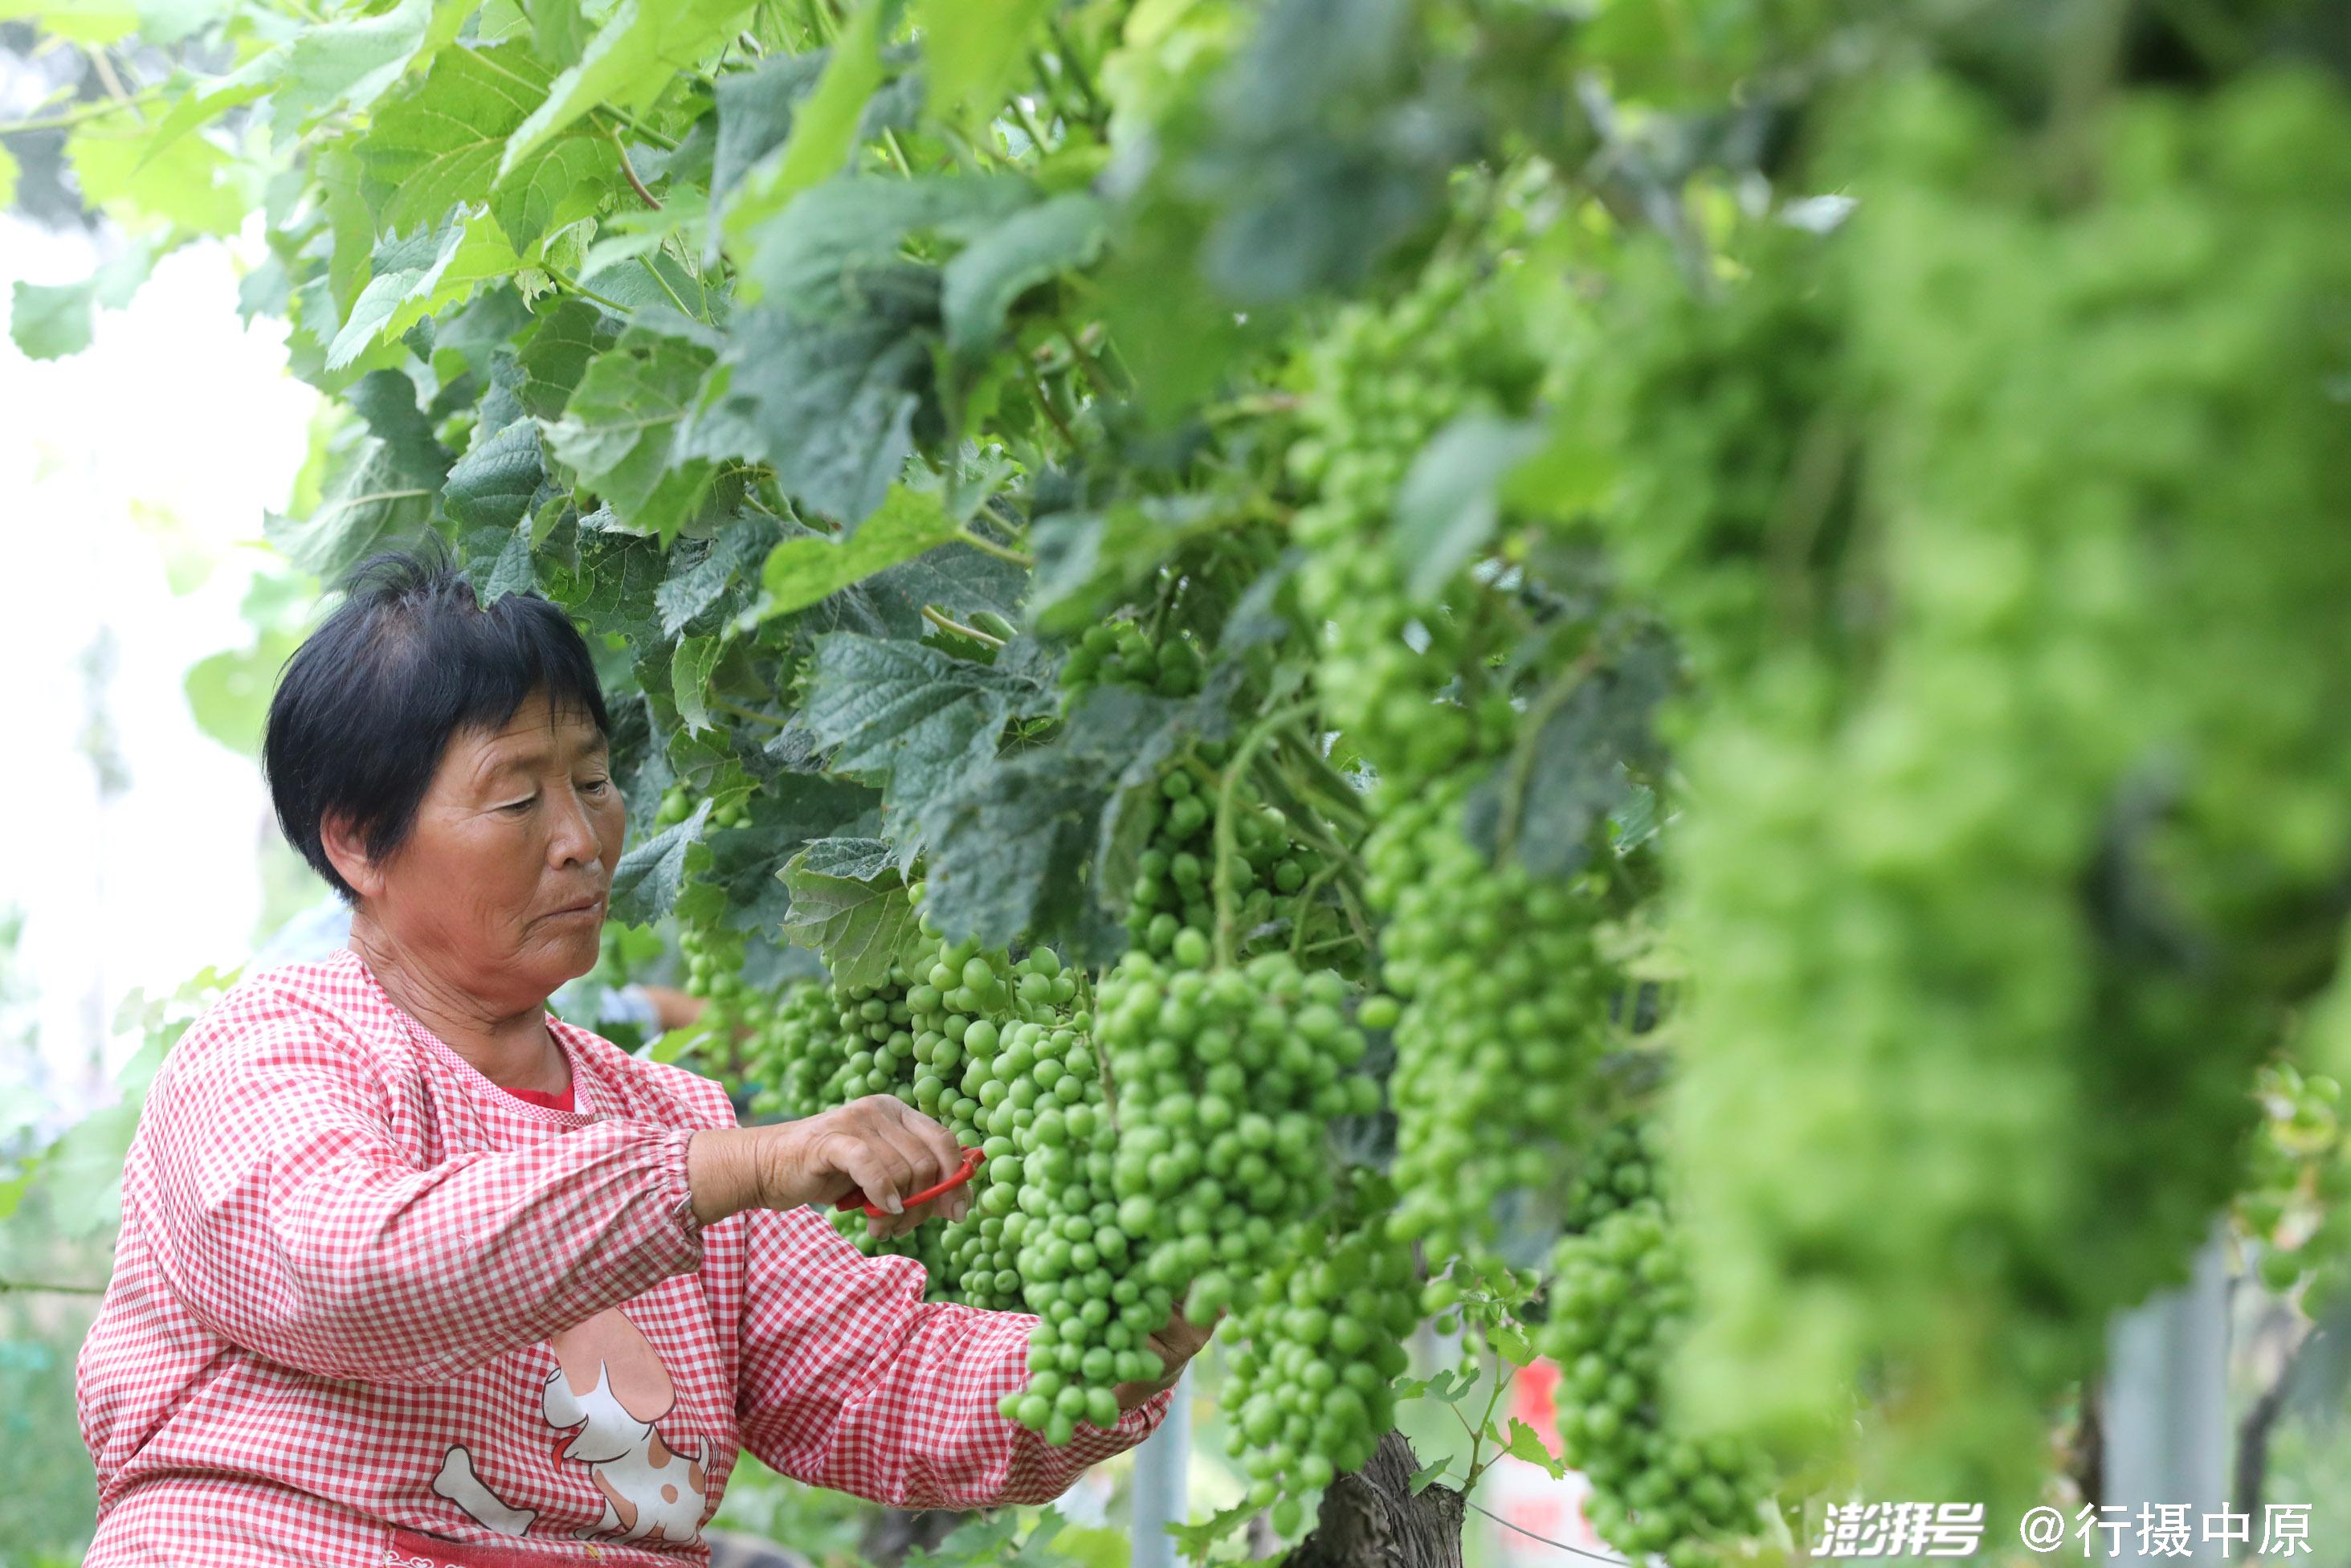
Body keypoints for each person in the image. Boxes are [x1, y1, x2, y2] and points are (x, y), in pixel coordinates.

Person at [76, 553, 1210, 1567]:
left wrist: (1128, 1342)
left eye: (596, 782)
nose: (580, 838)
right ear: (357, 841)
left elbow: (886, 1382)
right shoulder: (271, 1053)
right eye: (518, 795)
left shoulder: (673, 1112)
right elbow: (356, 1275)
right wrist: (732, 1170)